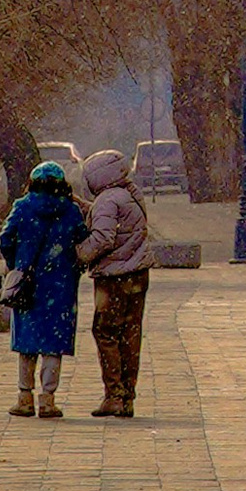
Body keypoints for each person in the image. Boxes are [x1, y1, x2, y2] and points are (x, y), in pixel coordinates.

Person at [0, 158, 86, 419]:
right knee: (53, 344)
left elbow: (5, 239)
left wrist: (16, 263)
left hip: (28, 285)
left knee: (27, 343)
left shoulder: (23, 207)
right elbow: (82, 241)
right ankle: (48, 400)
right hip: (61, 286)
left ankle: (24, 398)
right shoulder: (70, 211)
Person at [76, 146, 152, 418]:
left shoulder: (108, 200)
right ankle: (128, 395)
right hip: (138, 274)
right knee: (131, 334)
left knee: (106, 332)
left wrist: (79, 254)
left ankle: (113, 395)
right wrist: (84, 206)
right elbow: (113, 222)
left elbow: (104, 238)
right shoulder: (130, 195)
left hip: (113, 279)